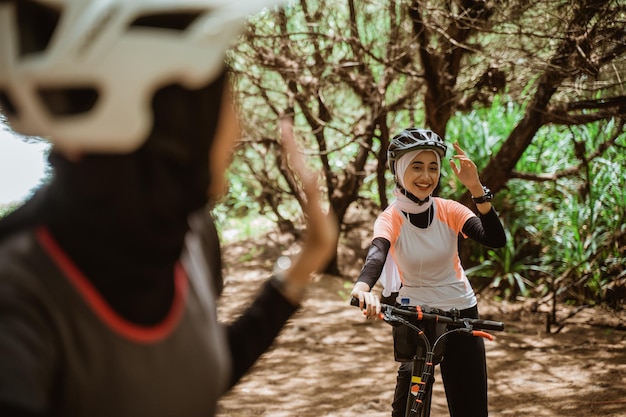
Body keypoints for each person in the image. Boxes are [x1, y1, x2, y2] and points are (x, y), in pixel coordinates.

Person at [0, 1, 336, 416]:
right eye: (220, 91)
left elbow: (194, 375)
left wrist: (303, 267)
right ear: (167, 111)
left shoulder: (188, 231)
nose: (239, 128)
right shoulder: (16, 290)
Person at [351, 128, 506, 417]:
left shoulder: (449, 210)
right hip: (415, 315)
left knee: (470, 407)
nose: (426, 176)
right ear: (399, 170)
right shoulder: (391, 218)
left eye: (433, 167)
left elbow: (494, 239)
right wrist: (363, 288)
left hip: (460, 312)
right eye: (417, 166)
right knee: (409, 408)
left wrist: (476, 190)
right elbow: (376, 254)